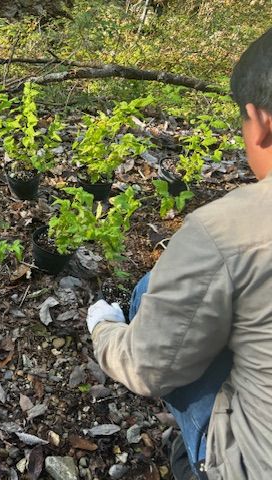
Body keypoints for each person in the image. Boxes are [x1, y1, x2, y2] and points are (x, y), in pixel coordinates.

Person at [86, 29, 272, 480]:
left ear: (260, 119)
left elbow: (146, 366)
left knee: (151, 290)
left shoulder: (228, 230)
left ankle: (199, 459)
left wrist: (102, 328)